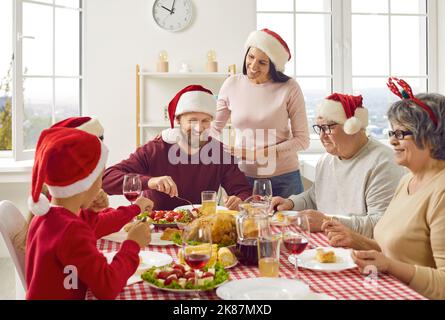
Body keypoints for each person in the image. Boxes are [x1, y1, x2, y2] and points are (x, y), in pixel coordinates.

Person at [323, 78, 445, 300]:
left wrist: (389, 265)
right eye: (391, 133)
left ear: (431, 139)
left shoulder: (441, 192)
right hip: (386, 288)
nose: (392, 142)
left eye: (401, 134)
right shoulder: (407, 181)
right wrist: (354, 239)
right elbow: (393, 248)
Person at [26, 127, 154, 300]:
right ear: (86, 182)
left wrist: (90, 213)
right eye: (100, 177)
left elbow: (82, 236)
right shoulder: (71, 229)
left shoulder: (45, 216)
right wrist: (132, 244)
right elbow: (108, 288)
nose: (101, 185)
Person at [271, 93, 405, 237]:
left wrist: (326, 221)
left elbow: (379, 226)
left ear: (352, 127)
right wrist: (291, 203)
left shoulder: (383, 162)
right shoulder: (327, 159)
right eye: (320, 128)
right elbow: (315, 197)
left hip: (362, 252)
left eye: (328, 127)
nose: (322, 136)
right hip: (330, 244)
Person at [103, 85, 252, 210]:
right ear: (178, 120)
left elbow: (243, 191)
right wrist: (150, 182)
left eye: (205, 121)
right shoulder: (155, 149)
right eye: (192, 120)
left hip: (200, 229)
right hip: (154, 228)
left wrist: (239, 200)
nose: (199, 128)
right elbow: (106, 179)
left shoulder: (220, 152)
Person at [211, 28, 310, 198]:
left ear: (273, 66)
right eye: (251, 57)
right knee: (244, 225)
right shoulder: (231, 84)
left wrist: (258, 154)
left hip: (284, 178)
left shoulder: (290, 88)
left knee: (289, 225)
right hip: (243, 177)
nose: (253, 66)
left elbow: (302, 140)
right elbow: (214, 128)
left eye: (262, 62)